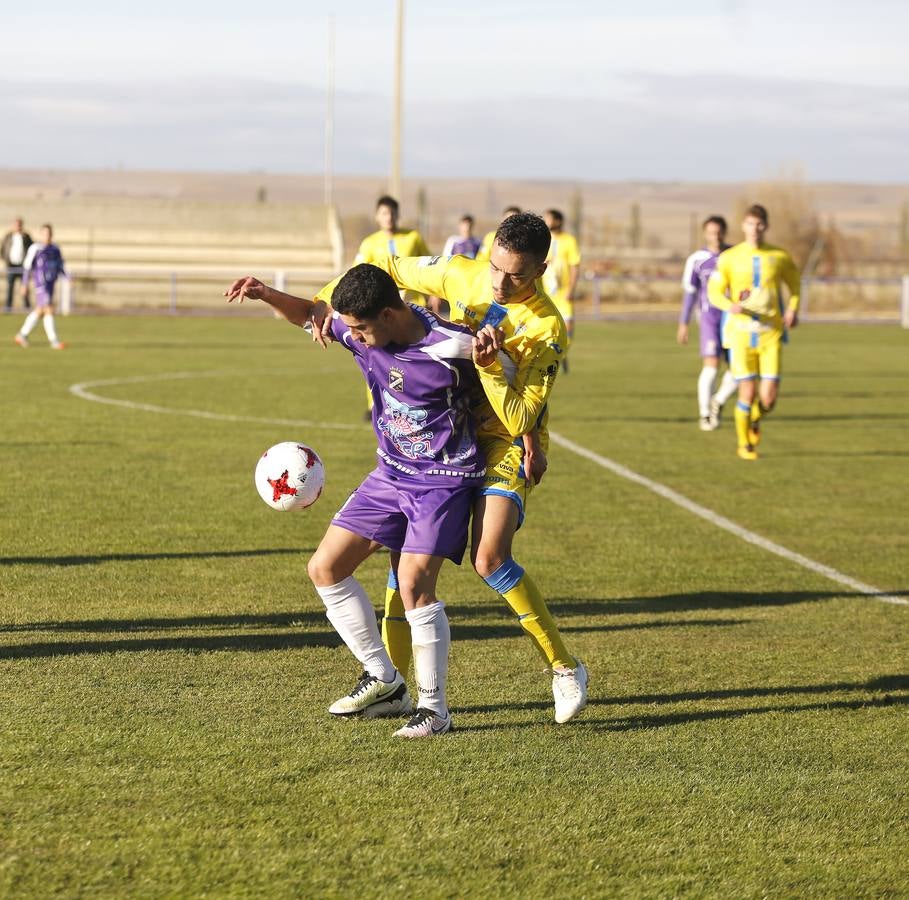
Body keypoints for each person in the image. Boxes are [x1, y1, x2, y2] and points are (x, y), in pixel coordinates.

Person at [318, 212, 588, 723]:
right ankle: (391, 684)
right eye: (496, 269)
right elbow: (382, 269)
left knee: (489, 558)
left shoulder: (547, 328)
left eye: (516, 276)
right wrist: (321, 300)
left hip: (504, 442)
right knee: (404, 565)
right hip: (446, 437)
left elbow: (515, 416)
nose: (500, 284)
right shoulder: (464, 273)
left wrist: (491, 371)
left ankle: (564, 668)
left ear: (541, 269)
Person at [225, 264, 486, 738]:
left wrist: (531, 440)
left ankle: (434, 709)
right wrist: (265, 294)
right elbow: (310, 313)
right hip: (390, 474)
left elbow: (517, 381)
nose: (356, 338)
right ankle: (386, 682)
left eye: (363, 328)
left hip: (443, 479)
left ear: (390, 314)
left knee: (413, 585)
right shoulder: (359, 329)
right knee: (325, 568)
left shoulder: (454, 346)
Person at [707, 204, 801, 460]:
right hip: (740, 334)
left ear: (766, 226)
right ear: (743, 226)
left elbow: (794, 285)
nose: (754, 229)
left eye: (759, 225)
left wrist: (793, 308)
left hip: (770, 333)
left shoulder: (779, 256)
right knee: (746, 391)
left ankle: (757, 414)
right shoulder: (730, 257)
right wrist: (730, 305)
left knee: (768, 398)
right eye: (750, 224)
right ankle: (744, 445)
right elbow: (714, 292)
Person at [677, 216, 738, 430]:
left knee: (739, 370)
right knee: (711, 367)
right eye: (711, 232)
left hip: (734, 319)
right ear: (705, 234)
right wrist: (683, 323)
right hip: (709, 319)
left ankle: (718, 401)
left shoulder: (736, 255)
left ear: (725, 232)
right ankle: (705, 414)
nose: (716, 236)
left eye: (719, 231)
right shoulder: (697, 259)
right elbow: (690, 294)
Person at [14, 224, 67, 350]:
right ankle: (54, 341)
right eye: (45, 234)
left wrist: (67, 277)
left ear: (52, 235)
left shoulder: (55, 249)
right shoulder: (36, 248)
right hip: (40, 284)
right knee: (48, 309)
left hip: (50, 284)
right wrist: (24, 283)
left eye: (49, 234)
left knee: (40, 310)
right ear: (41, 235)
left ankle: (22, 335)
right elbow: (27, 266)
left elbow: (60, 265)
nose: (47, 236)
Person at [542, 209, 581, 373]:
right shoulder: (543, 240)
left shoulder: (569, 240)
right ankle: (551, 357)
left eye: (548, 218)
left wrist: (571, 288)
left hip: (563, 292)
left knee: (568, 327)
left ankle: (562, 354)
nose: (545, 221)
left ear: (558, 221)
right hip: (545, 293)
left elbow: (575, 265)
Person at [2, 218, 32, 313]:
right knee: (10, 287)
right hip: (11, 265)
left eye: (19, 225)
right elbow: (3, 249)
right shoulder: (8, 236)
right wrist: (6, 260)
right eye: (16, 225)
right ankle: (8, 307)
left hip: (23, 266)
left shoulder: (26, 237)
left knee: (24, 286)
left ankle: (27, 307)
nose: (18, 227)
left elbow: (31, 249)